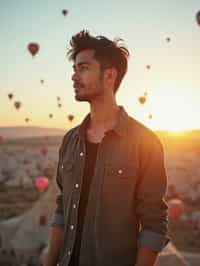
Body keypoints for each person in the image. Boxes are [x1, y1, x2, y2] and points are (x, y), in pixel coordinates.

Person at [45, 30, 170, 266]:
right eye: (74, 69)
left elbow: (154, 223)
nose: (74, 76)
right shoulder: (70, 141)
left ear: (110, 75)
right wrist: (49, 261)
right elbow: (62, 207)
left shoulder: (145, 142)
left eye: (83, 68)